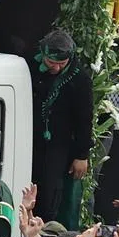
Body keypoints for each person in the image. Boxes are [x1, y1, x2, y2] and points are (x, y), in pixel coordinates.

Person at [31, 29, 92, 225]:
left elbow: (84, 119)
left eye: (61, 64)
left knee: (50, 193)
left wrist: (82, 155)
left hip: (60, 145)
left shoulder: (79, 79)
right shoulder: (31, 65)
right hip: (31, 138)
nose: (56, 68)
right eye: (51, 62)